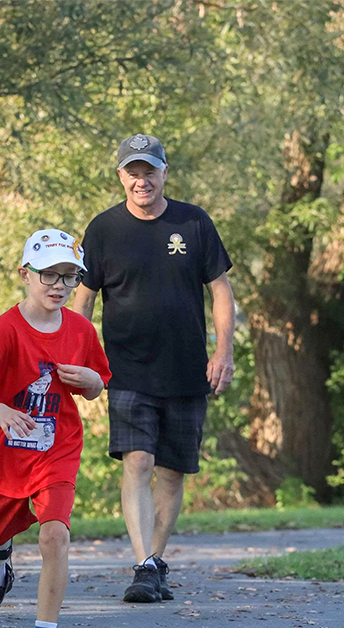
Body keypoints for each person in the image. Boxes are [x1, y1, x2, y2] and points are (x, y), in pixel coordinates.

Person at [72, 134, 235, 603]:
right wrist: (82, 359)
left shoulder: (193, 222)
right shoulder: (103, 229)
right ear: (120, 176)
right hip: (125, 368)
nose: (141, 180)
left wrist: (223, 351)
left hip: (186, 369)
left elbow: (219, 289)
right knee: (138, 461)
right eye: (132, 172)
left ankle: (155, 561)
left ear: (164, 173)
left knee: (172, 471)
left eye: (149, 171)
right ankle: (143, 564)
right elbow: (83, 298)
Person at [0, 228, 111, 628]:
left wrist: (92, 382)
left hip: (57, 448)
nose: (59, 285)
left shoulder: (80, 330)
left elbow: (97, 386)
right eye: (49, 274)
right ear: (25, 274)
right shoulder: (6, 330)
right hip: (5, 452)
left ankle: (46, 625)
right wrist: (0, 411)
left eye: (69, 276)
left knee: (54, 535)